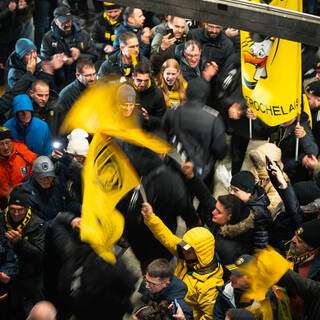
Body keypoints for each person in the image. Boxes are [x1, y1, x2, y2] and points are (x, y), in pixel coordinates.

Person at [141, 202, 224, 320]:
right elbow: (167, 237)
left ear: (200, 254)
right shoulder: (186, 254)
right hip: (170, 301)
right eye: (183, 247)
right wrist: (151, 218)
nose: (183, 251)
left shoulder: (210, 287)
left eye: (188, 251)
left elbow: (209, 317)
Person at [181, 162, 255, 265]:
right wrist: (192, 177)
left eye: (218, 212)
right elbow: (206, 198)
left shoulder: (228, 249)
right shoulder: (227, 216)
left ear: (229, 217)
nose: (213, 212)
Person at [161, 77, 227, 190]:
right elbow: (220, 151)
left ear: (187, 92)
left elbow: (163, 136)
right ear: (206, 95)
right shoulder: (213, 118)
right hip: (200, 170)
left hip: (174, 166)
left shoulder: (172, 112)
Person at [0, 185, 45, 320]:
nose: (16, 213)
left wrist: (21, 243)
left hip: (30, 276)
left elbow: (39, 255)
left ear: (27, 208)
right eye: (12, 209)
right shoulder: (1, 221)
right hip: (6, 276)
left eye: (20, 210)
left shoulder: (37, 224)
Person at [40, 6, 98, 88]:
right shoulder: (48, 38)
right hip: (58, 82)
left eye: (69, 20)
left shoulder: (83, 34)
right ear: (56, 21)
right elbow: (43, 61)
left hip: (81, 82)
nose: (67, 24)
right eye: (63, 21)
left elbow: (94, 56)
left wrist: (78, 57)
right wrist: (54, 61)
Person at [229, 170, 272, 249]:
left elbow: (261, 246)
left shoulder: (259, 214)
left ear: (248, 192)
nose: (231, 193)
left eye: (235, 190)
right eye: (230, 189)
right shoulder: (239, 203)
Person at [0, 126, 37, 210]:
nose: (5, 147)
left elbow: (38, 168)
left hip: (27, 202)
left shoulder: (23, 152)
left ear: (12, 141)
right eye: (1, 144)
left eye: (7, 142)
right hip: (3, 206)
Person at [57, 59, 96, 123]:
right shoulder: (66, 95)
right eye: (88, 75)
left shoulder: (97, 87)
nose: (92, 78)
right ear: (78, 76)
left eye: (94, 74)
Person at [131, 62, 166, 131]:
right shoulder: (126, 89)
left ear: (150, 77)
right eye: (139, 80)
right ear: (133, 76)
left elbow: (162, 120)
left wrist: (148, 118)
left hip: (150, 129)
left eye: (146, 81)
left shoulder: (157, 94)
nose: (143, 84)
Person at [0, 0, 27, 75]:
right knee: (3, 66)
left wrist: (23, 8)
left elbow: (22, 13)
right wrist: (8, 11)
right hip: (2, 39)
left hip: (15, 37)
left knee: (15, 63)